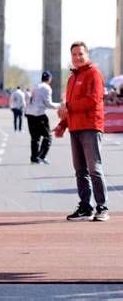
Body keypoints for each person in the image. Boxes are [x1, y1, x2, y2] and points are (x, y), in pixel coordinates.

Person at [54, 41, 109, 222]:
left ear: (87, 55)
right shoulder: (72, 79)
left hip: (91, 127)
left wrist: (67, 107)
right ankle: (85, 207)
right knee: (80, 170)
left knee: (95, 169)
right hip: (76, 129)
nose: (77, 58)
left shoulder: (94, 74)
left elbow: (92, 101)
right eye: (74, 55)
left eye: (80, 54)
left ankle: (102, 207)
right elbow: (69, 109)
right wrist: (62, 125)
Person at [25, 71, 60, 164]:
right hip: (39, 114)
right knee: (47, 136)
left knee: (35, 138)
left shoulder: (35, 85)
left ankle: (34, 158)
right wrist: (60, 105)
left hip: (29, 114)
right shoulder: (47, 88)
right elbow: (48, 104)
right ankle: (41, 156)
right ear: (49, 79)